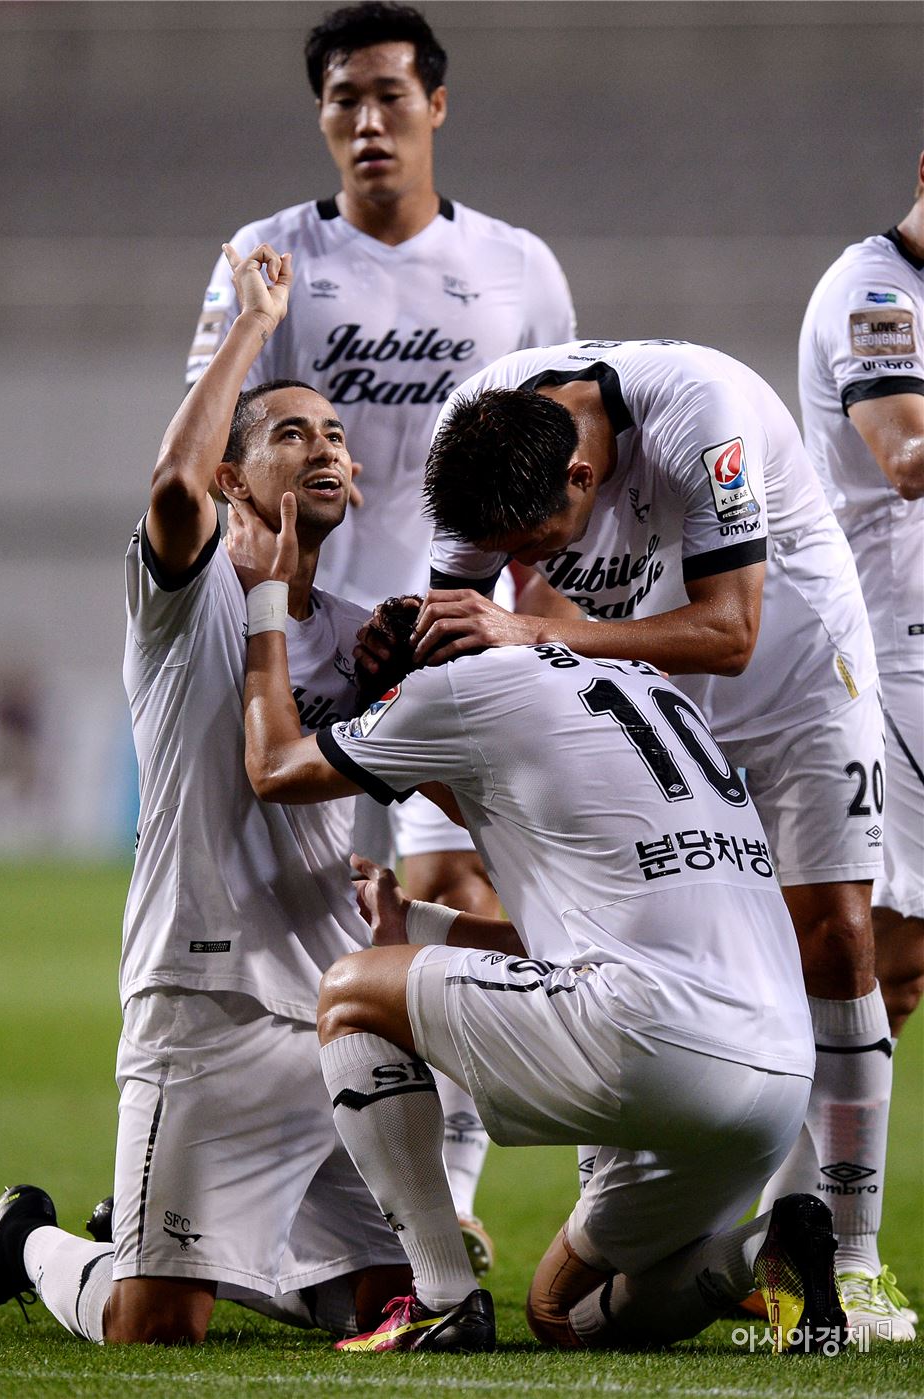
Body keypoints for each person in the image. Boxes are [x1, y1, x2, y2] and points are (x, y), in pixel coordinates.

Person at [0, 243, 410, 1345]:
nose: (324, 447)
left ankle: (188, 1240)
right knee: (154, 1326)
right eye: (291, 434)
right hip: (208, 999)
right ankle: (29, 1241)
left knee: (391, 1304)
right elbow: (173, 489)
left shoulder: (364, 632)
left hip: (336, 1002)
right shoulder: (191, 598)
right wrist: (251, 326)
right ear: (236, 480)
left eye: (335, 436)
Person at [399, 335, 915, 1341]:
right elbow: (451, 633)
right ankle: (728, 1234)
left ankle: (852, 1260)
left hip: (798, 675)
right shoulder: (479, 433)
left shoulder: (700, 412)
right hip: (643, 688)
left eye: (536, 543)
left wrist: (537, 634)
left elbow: (731, 629)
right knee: (620, 920)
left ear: (583, 475)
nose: (523, 566)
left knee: (836, 937)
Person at [228, 520, 845, 1355]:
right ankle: (766, 1247)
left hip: (658, 1040)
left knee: (350, 992)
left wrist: (266, 603)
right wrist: (419, 922)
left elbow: (274, 766)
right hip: (775, 1079)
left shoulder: (456, 692)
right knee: (564, 1313)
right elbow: (579, 930)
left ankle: (441, 1299)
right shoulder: (627, 683)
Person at [185, 0, 576, 1257]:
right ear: (321, 115)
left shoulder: (518, 267)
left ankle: (445, 1196)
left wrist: (535, 623)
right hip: (305, 653)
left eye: (389, 96)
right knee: (285, 922)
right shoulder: (268, 259)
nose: (366, 121)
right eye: (342, 98)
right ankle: (258, 1184)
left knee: (449, 895)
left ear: (435, 107)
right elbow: (209, 457)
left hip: (455, 646)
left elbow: (556, 469)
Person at [799, 152, 924, 1048]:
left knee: (896, 961)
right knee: (886, 947)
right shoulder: (875, 295)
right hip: (893, 645)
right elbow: (907, 457)